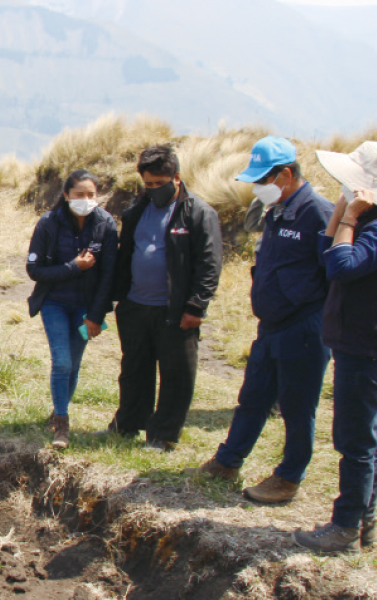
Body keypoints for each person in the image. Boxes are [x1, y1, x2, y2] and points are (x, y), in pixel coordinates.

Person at [186, 137, 333, 504]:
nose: (257, 187)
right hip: (271, 325)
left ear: (286, 174)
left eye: (263, 179)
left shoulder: (319, 213)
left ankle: (288, 478)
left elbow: (335, 274)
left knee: (297, 407)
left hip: (304, 326)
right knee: (253, 397)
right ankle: (228, 461)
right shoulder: (277, 210)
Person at [294, 141, 377, 554]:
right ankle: (363, 521)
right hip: (359, 344)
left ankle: (346, 526)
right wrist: (340, 216)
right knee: (366, 438)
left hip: (369, 347)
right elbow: (325, 254)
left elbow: (340, 266)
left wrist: (348, 216)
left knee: (354, 442)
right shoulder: (375, 221)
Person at [107, 145, 222, 451]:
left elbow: (209, 265)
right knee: (134, 370)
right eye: (149, 184)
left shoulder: (198, 213)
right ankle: (128, 424)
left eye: (161, 183)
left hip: (174, 310)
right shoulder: (137, 210)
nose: (155, 189)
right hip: (135, 306)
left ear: (177, 178)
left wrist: (196, 306)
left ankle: (163, 435)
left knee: (176, 375)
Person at [26, 170, 119, 449]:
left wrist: (96, 316)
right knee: (62, 362)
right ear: (66, 195)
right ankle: (62, 426)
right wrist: (73, 267)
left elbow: (108, 276)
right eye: (79, 194)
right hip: (54, 302)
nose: (86, 200)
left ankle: (57, 411)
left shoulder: (105, 224)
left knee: (74, 365)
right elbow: (34, 269)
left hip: (86, 305)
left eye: (91, 195)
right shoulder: (49, 223)